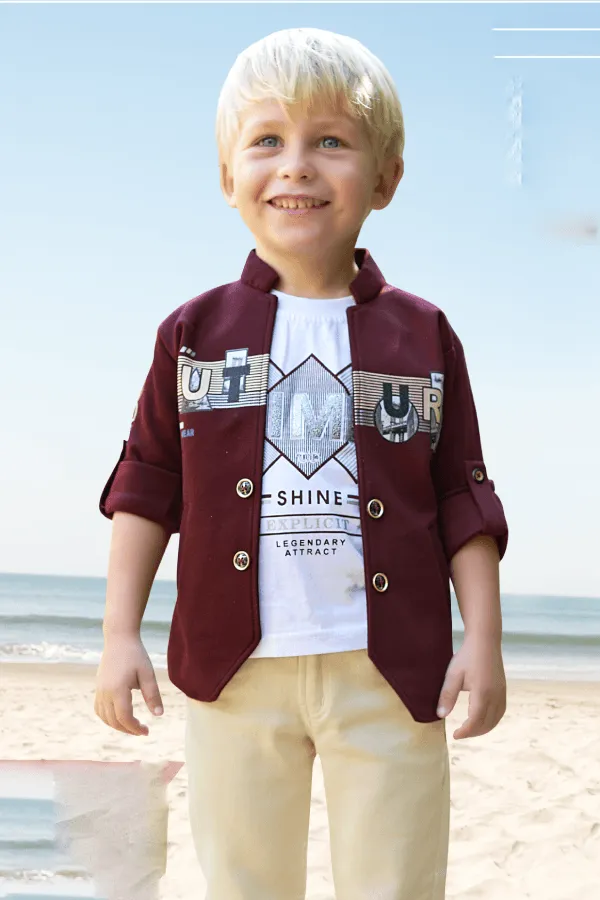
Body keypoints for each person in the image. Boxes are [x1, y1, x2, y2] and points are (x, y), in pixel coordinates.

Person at [95, 27, 509, 900]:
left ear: (386, 177)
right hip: (231, 672)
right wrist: (117, 635)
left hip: (392, 673)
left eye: (331, 141)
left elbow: (462, 495)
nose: (297, 166)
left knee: (397, 885)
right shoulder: (192, 334)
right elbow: (148, 484)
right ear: (226, 177)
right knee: (244, 885)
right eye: (267, 141)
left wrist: (485, 639)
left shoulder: (423, 335)